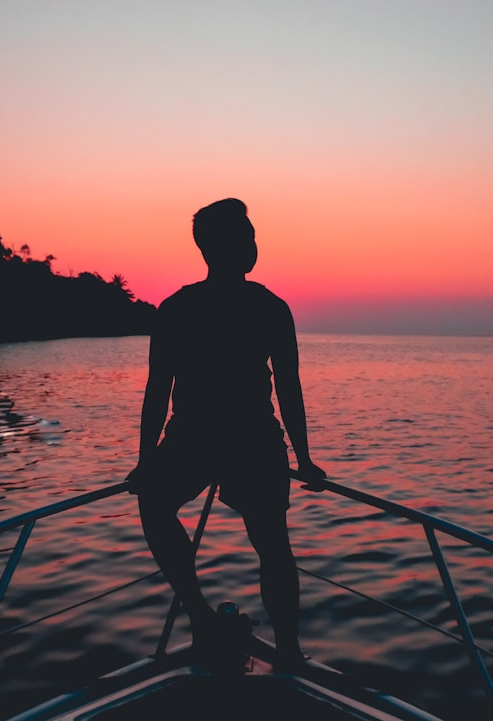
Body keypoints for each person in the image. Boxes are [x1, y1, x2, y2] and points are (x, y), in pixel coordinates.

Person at [126, 197, 326, 667]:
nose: (254, 244)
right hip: (235, 439)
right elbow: (289, 390)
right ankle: (280, 647)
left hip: (220, 438)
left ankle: (213, 619)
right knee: (271, 542)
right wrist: (302, 459)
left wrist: (146, 458)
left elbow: (158, 392)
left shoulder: (181, 308)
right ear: (223, 247)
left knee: (166, 509)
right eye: (247, 237)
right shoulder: (265, 307)